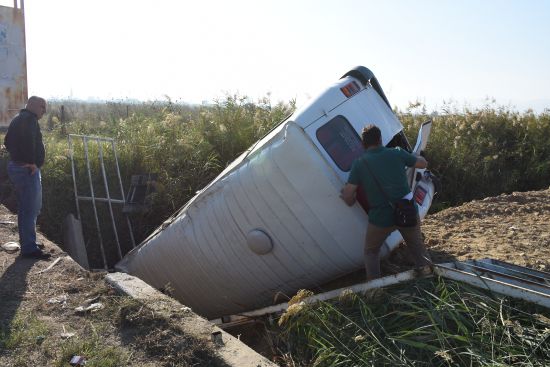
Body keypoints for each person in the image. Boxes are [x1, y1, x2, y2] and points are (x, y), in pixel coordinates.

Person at [340, 124, 430, 280]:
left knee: (371, 252)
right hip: (407, 212)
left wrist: (351, 200)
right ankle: (429, 279)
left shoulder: (359, 164)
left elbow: (348, 195)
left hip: (380, 218)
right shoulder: (397, 153)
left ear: (363, 143)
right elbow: (422, 163)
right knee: (417, 248)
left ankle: (375, 288)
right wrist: (417, 155)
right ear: (380, 139)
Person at [4, 96, 51, 260]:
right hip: (27, 170)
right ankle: (29, 249)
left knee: (30, 207)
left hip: (19, 167)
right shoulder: (29, 119)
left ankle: (29, 242)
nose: (44, 111)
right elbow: (29, 142)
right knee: (29, 209)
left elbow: (7, 141)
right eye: (42, 107)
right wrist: (31, 162)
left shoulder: (18, 118)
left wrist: (19, 159)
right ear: (32, 105)